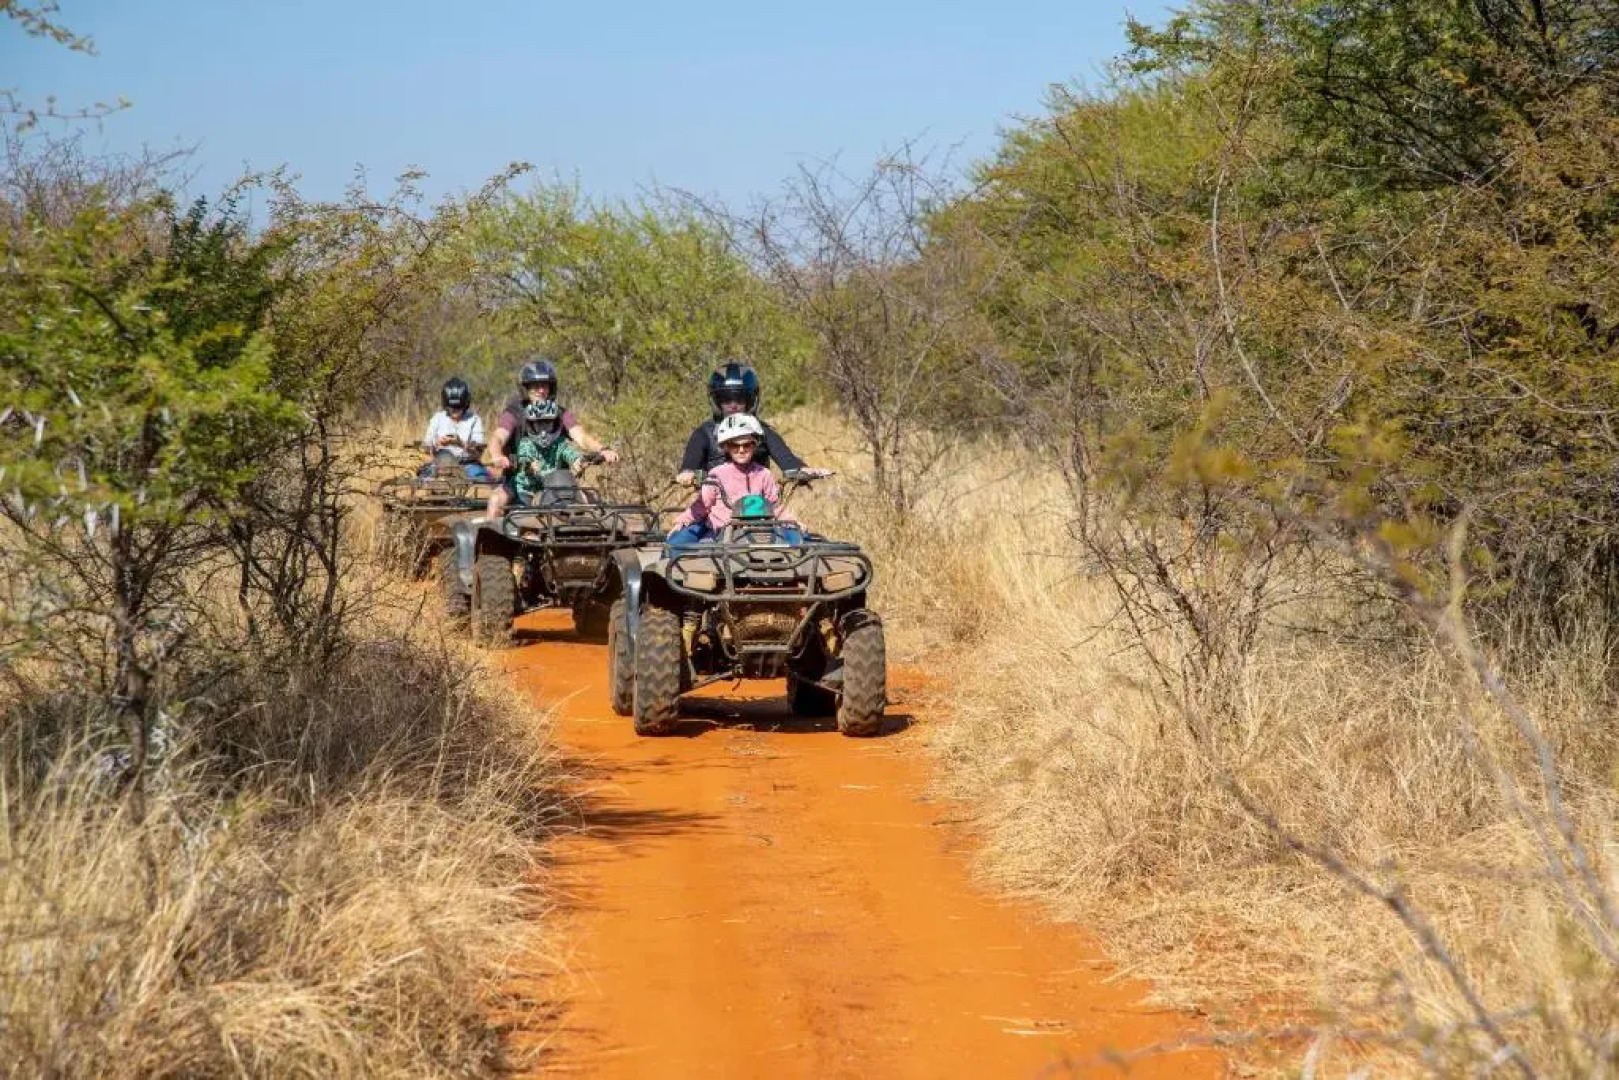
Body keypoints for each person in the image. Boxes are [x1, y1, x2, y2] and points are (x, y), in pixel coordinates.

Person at [485, 357, 618, 516]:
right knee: (495, 500)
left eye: (545, 385)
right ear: (526, 388)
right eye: (535, 386)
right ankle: (489, 540)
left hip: (558, 485)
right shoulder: (513, 414)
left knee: (595, 502)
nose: (541, 390)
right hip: (520, 481)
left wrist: (602, 450)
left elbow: (581, 437)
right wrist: (497, 455)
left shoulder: (561, 413)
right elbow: (498, 437)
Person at [674, 362, 830, 485]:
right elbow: (690, 464)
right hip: (714, 507)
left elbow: (787, 460)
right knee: (688, 527)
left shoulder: (762, 430)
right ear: (717, 401)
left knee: (793, 527)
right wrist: (688, 473)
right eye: (727, 399)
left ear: (750, 401)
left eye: (740, 399)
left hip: (759, 508)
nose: (733, 405)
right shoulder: (704, 433)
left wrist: (803, 471)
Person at [667, 413, 803, 546]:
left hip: (759, 531)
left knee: (801, 539)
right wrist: (683, 521)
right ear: (726, 447)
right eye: (734, 445)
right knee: (676, 543)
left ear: (755, 445)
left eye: (747, 444)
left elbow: (774, 506)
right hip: (721, 532)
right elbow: (703, 505)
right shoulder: (716, 474)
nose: (741, 450)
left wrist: (793, 522)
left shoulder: (764, 474)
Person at [420, 377, 491, 480]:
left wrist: (460, 443)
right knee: (423, 480)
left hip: (468, 465)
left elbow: (478, 452)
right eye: (451, 408)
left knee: (481, 481)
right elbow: (424, 449)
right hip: (440, 466)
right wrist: (436, 444)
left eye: (459, 407)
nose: (455, 411)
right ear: (445, 404)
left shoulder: (474, 420)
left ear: (466, 404)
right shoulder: (437, 418)